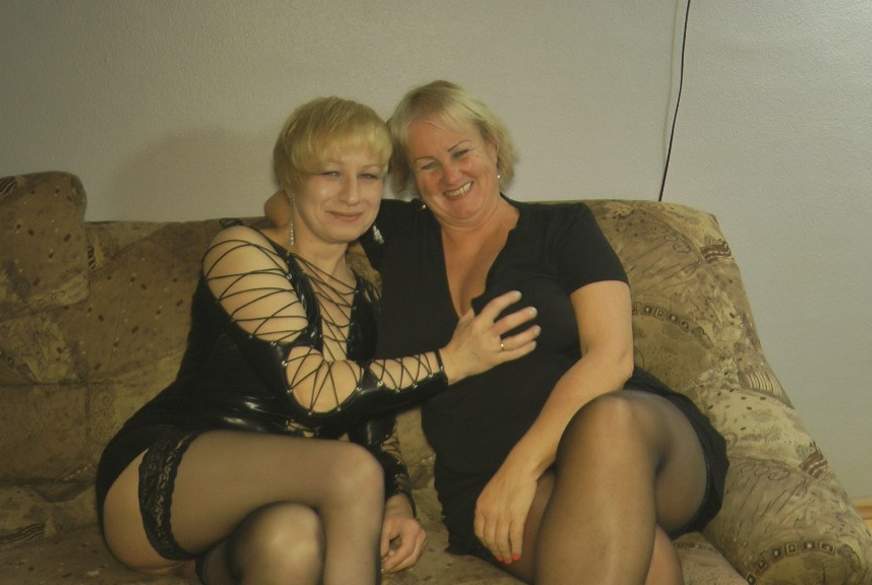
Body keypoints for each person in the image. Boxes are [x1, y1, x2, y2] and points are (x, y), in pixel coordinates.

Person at [268, 81, 729, 585]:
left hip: (635, 444)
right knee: (650, 562)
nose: (450, 176)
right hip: (480, 476)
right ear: (409, 177)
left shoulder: (563, 229)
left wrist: (520, 471)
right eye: (427, 165)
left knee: (610, 420)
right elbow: (285, 206)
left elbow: (611, 357)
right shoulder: (396, 234)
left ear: (492, 147)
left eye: (461, 152)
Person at [96, 96, 540, 585]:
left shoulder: (366, 298)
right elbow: (312, 389)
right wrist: (452, 361)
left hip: (251, 524)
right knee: (350, 470)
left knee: (295, 541)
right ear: (292, 180)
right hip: (161, 484)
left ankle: (200, 571)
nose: (352, 195)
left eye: (368, 176)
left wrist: (397, 502)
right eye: (330, 174)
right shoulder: (242, 252)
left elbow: (372, 424)